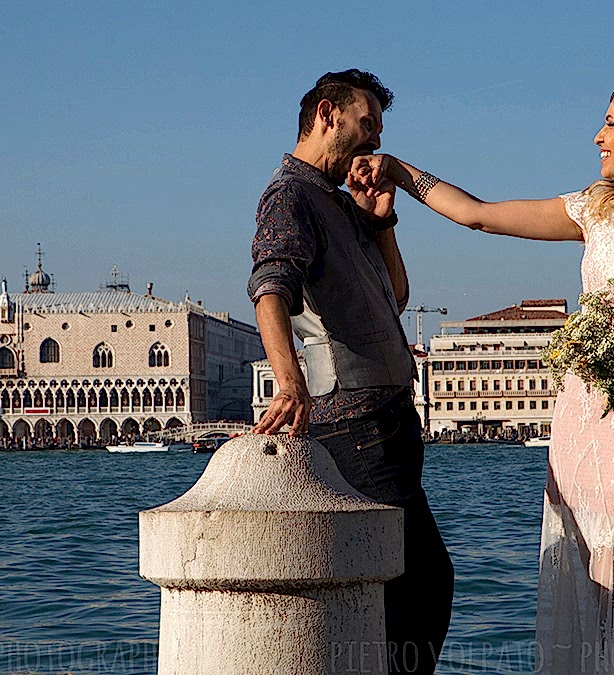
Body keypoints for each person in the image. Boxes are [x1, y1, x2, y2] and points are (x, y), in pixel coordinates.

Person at [352, 75, 614, 675]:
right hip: (581, 416)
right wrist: (399, 172)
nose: (598, 136)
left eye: (611, 125)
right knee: (588, 562)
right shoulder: (598, 210)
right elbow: (479, 215)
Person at [247, 69, 454, 674]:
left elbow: (397, 294)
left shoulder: (341, 203)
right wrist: (289, 383)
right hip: (354, 421)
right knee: (422, 582)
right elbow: (270, 287)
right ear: (326, 115)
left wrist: (382, 219)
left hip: (388, 421)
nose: (374, 146)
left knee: (402, 584)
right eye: (366, 128)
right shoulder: (289, 196)